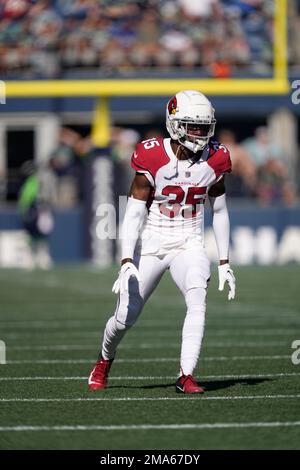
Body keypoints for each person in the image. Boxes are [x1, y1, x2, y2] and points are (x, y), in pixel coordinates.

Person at [88, 90, 236, 394]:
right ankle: (104, 359)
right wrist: (126, 260)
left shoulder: (217, 157)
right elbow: (133, 212)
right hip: (151, 243)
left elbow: (219, 210)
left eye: (204, 126)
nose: (200, 133)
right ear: (174, 124)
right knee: (124, 318)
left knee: (197, 300)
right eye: (193, 126)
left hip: (189, 241)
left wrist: (224, 261)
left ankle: (186, 375)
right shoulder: (152, 155)